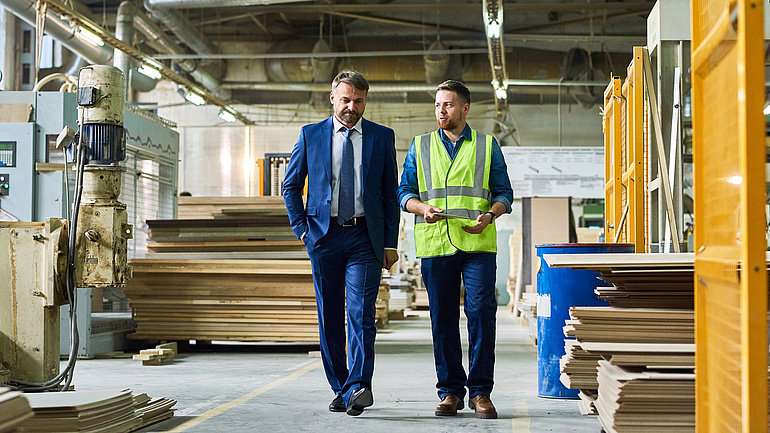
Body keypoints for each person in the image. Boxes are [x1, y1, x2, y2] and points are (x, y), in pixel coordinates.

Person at [283, 70, 400, 416]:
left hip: (365, 237)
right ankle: (341, 386)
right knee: (329, 315)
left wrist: (390, 243)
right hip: (324, 236)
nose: (352, 107)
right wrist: (303, 230)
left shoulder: (381, 137)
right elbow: (290, 187)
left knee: (362, 314)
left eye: (359, 101)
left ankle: (359, 386)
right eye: (346, 100)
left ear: (366, 100)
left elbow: (390, 196)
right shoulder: (310, 135)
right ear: (332, 97)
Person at [398, 80, 513, 419]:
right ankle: (450, 391)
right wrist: (422, 209)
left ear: (465, 109)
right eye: (437, 105)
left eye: (448, 105)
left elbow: (505, 193)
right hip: (435, 243)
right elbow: (404, 193)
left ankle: (480, 392)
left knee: (480, 314)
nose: (441, 111)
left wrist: (490, 215)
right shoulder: (419, 146)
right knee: (443, 319)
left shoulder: (487, 145)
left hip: (477, 242)